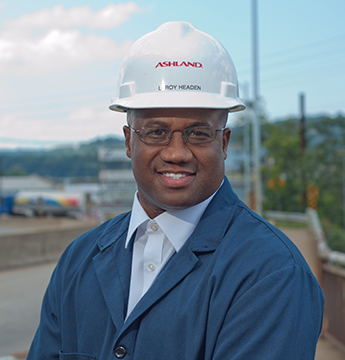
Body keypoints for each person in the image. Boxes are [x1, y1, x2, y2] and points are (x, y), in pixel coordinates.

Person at [28, 21, 324, 360]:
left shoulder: (271, 274)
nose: (176, 153)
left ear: (224, 143)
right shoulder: (77, 261)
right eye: (156, 132)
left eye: (198, 134)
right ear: (128, 141)